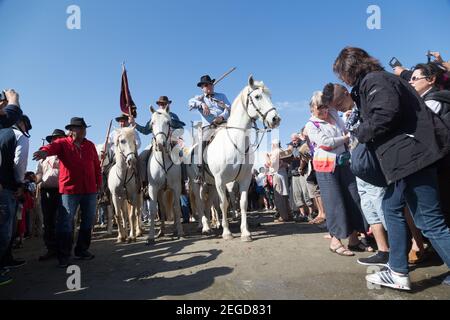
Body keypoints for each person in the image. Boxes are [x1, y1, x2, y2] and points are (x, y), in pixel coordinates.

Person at [333, 47, 450, 290]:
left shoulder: (375, 80)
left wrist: (359, 132)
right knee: (391, 206)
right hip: (404, 160)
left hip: (412, 157)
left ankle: (398, 270)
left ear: (349, 69)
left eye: (341, 74)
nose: (341, 79)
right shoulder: (376, 81)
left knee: (430, 221)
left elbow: (384, 114)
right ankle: (398, 271)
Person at [323, 83, 389, 266]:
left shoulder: (364, 106)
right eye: (334, 107)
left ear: (346, 92)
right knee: (370, 210)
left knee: (381, 207)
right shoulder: (349, 114)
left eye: (338, 103)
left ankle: (397, 249)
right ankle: (383, 251)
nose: (337, 108)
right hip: (358, 167)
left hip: (371, 166)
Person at [33, 117, 101, 268]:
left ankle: (82, 250)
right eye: (80, 128)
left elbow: (96, 165)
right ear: (71, 130)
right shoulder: (62, 143)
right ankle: (64, 255)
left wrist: (99, 183)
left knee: (87, 221)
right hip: (70, 190)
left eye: (84, 128)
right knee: (65, 223)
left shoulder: (90, 145)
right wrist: (43, 152)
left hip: (89, 189)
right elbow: (51, 148)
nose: (83, 130)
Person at [305, 91, 366, 257]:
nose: (324, 110)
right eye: (319, 107)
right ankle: (335, 241)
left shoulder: (333, 113)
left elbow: (334, 103)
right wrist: (345, 139)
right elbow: (326, 143)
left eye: (325, 106)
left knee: (352, 197)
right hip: (325, 167)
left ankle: (354, 239)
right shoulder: (311, 125)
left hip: (344, 163)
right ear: (312, 108)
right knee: (334, 202)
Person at [0, 115, 31, 285]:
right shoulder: (19, 136)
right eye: (26, 126)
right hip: (7, 187)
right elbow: (19, 163)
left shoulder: (2, 132)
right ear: (21, 123)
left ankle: (6, 260)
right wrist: (20, 183)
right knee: (5, 230)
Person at [189, 75, 232, 182]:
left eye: (210, 84)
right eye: (206, 85)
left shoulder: (221, 96)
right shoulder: (199, 98)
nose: (209, 86)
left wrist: (222, 117)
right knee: (202, 142)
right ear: (202, 87)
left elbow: (229, 108)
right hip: (209, 127)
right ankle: (200, 170)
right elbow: (190, 103)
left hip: (223, 124)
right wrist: (202, 104)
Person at [35, 129, 66, 261]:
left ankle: (63, 249)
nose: (56, 140)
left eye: (59, 138)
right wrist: (38, 179)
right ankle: (51, 249)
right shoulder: (43, 157)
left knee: (62, 221)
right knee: (48, 222)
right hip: (46, 191)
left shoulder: (65, 153)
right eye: (54, 138)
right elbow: (39, 172)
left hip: (61, 191)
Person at [287, 133, 314, 222]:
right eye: (292, 140)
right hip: (294, 173)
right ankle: (302, 214)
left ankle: (311, 213)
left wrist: (301, 167)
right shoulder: (291, 146)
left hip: (303, 171)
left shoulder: (303, 144)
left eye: (295, 140)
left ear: (298, 138)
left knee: (306, 193)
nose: (293, 142)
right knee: (297, 194)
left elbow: (305, 157)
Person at [268, 139, 291, 222]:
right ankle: (289, 214)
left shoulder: (275, 152)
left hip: (277, 174)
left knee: (279, 196)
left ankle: (283, 216)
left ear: (274, 145)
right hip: (283, 173)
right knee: (285, 196)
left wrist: (267, 158)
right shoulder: (283, 151)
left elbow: (272, 164)